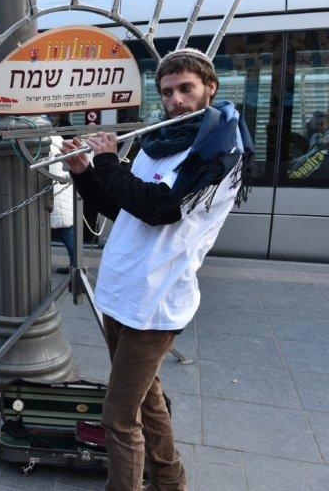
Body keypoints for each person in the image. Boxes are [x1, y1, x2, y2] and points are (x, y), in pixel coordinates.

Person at [62, 48, 254, 491]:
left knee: (117, 416)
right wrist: (85, 174)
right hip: (122, 290)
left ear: (210, 88)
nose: (176, 101)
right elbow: (122, 207)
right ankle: (171, 480)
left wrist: (108, 160)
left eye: (186, 89)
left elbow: (160, 209)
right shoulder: (160, 141)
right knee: (147, 401)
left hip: (157, 301)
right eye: (167, 92)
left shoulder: (220, 151)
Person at [48, 135, 75, 274]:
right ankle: (74, 264)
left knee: (67, 235)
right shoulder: (59, 143)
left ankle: (75, 265)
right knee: (67, 235)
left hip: (56, 197)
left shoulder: (48, 145)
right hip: (62, 195)